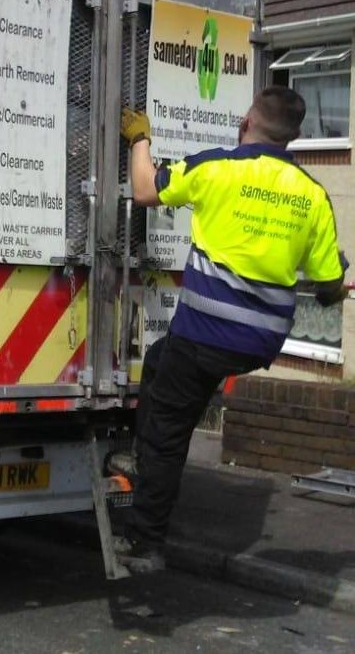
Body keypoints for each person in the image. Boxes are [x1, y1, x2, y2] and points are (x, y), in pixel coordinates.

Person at [115, 86, 348, 574]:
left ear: (246, 124)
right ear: (296, 137)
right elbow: (329, 287)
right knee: (159, 361)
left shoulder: (216, 168)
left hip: (206, 335)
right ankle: (140, 459)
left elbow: (143, 190)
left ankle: (146, 542)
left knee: (167, 435)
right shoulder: (313, 195)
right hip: (257, 344)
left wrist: (139, 138)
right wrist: (334, 287)